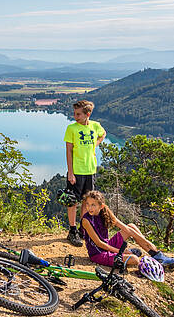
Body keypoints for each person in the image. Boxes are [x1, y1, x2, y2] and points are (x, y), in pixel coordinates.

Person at [80, 190, 174, 268]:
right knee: (135, 259)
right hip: (99, 254)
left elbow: (125, 228)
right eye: (88, 204)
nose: (89, 208)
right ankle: (130, 253)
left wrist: (146, 241)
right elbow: (99, 244)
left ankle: (156, 255)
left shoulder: (104, 211)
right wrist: (121, 252)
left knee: (131, 226)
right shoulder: (86, 220)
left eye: (93, 205)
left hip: (109, 245)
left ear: (101, 206)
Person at [63, 100, 105, 246]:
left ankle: (83, 229)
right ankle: (72, 230)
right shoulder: (71, 128)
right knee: (72, 201)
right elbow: (68, 151)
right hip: (77, 171)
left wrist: (95, 144)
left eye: (78, 114)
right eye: (74, 114)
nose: (75, 116)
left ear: (88, 114)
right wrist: (70, 172)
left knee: (86, 203)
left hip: (91, 170)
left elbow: (103, 133)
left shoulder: (95, 126)